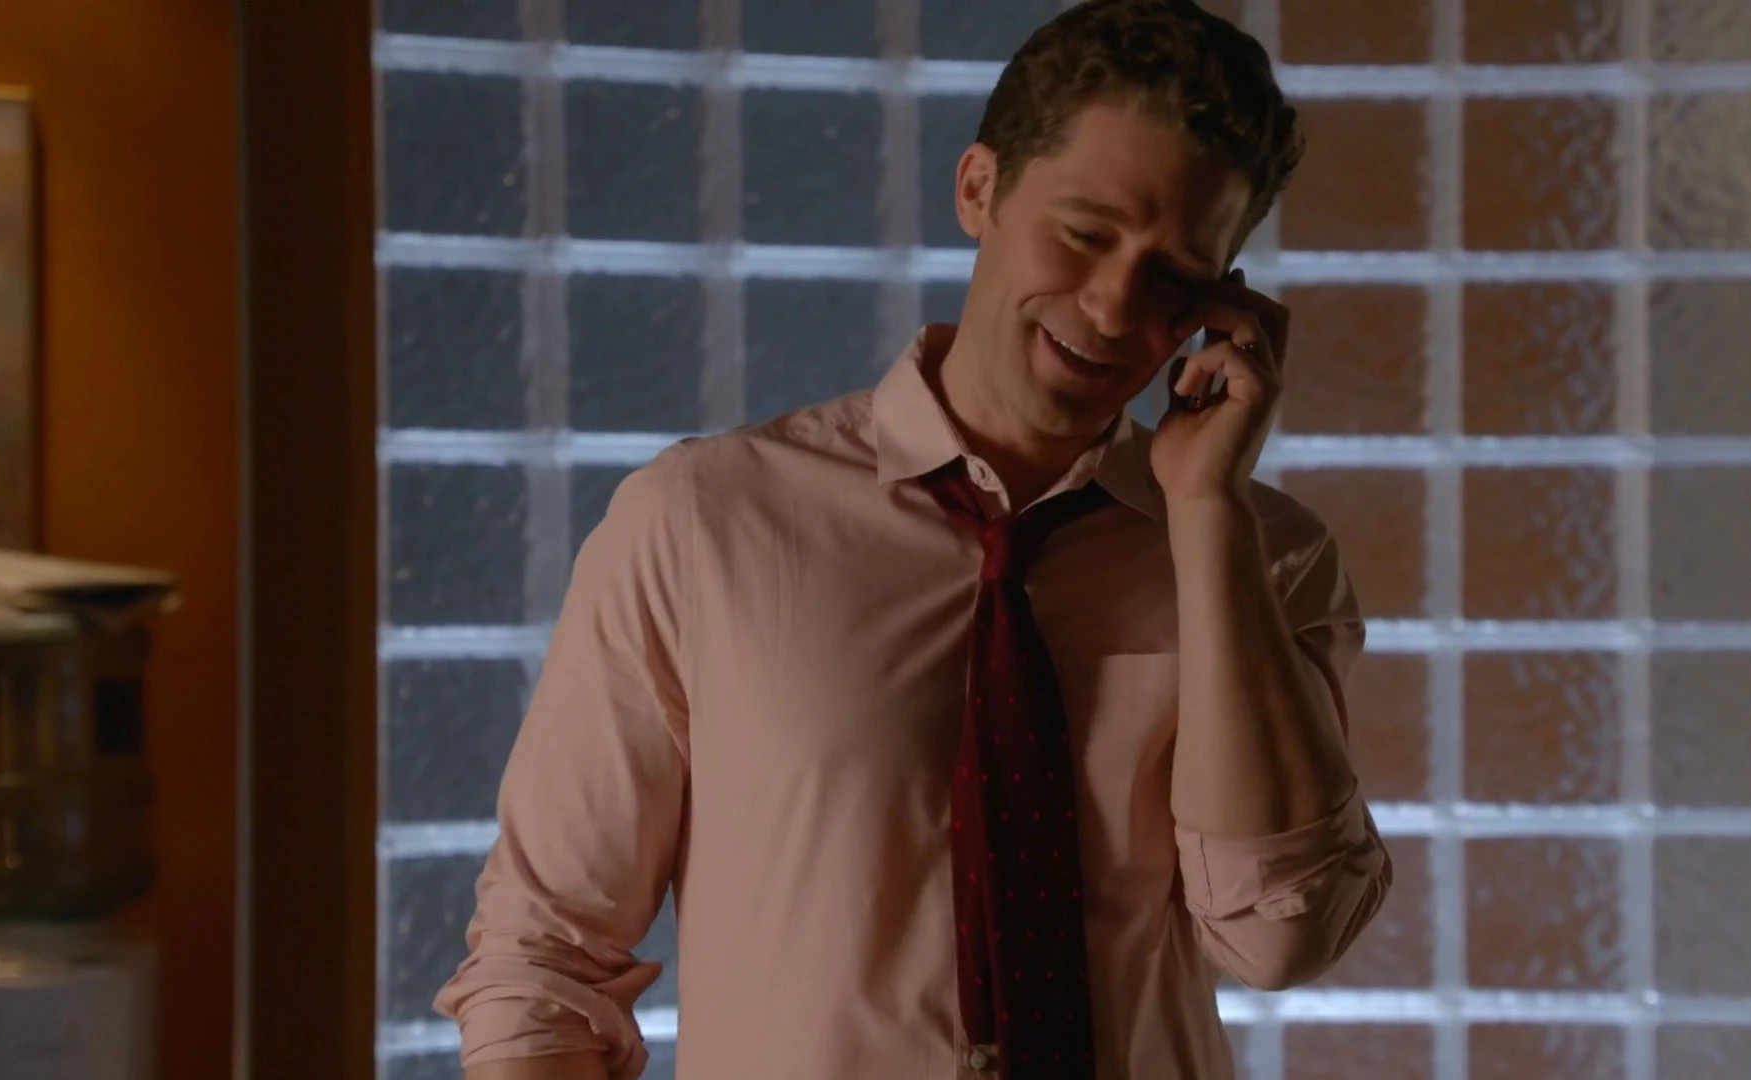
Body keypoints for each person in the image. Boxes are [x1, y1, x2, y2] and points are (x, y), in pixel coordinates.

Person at [435, 1, 1392, 1077]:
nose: (1115, 307)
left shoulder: (1262, 558)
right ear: (979, 188)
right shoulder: (705, 524)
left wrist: (1208, 515)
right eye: (1084, 234)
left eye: (1174, 272)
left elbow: (1281, 937)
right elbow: (543, 962)